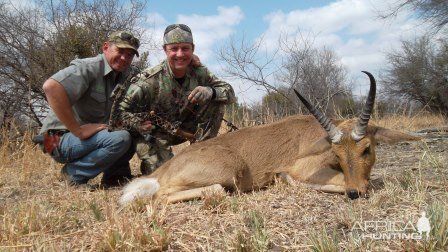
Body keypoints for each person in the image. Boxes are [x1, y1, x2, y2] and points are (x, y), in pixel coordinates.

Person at [117, 24, 236, 175]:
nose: (180, 54)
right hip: (155, 134)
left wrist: (210, 91)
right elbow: (120, 113)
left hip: (186, 128)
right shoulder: (148, 80)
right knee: (164, 174)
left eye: (185, 48)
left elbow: (230, 93)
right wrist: (137, 123)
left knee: (216, 99)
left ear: (193, 49)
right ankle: (152, 163)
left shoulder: (200, 72)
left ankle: (201, 153)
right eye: (174, 49)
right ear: (165, 50)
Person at [39, 30, 140, 188]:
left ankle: (115, 177)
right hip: (53, 140)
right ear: (105, 47)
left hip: (87, 139)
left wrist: (192, 62)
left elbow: (152, 78)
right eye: (120, 51)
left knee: (133, 130)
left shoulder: (125, 74)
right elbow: (51, 87)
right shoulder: (89, 67)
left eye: (129, 55)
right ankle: (73, 174)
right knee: (121, 138)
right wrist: (78, 130)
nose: (124, 58)